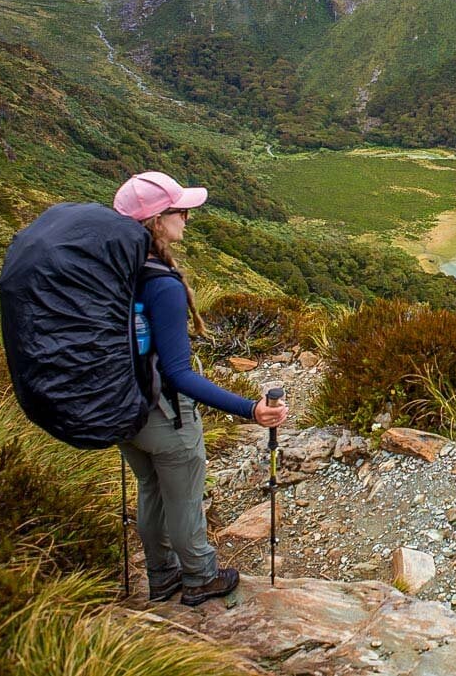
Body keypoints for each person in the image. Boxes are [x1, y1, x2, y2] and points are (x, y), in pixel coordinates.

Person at [113, 171, 288, 606]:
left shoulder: (113, 272)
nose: (188, 217)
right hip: (165, 414)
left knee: (151, 490)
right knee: (184, 496)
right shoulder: (162, 284)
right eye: (180, 210)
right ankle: (199, 578)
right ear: (156, 220)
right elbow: (177, 373)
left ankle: (162, 576)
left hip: (121, 408)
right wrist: (250, 410)